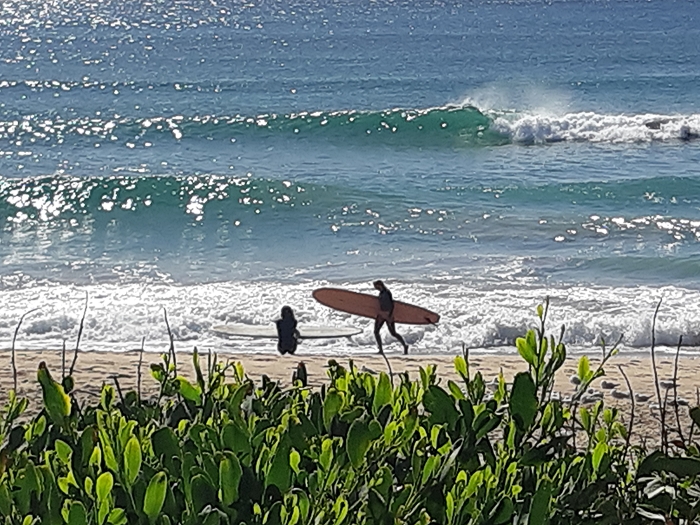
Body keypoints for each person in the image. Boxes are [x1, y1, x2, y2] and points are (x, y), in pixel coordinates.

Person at [373, 280, 409, 355]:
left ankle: (405, 345)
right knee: (377, 331)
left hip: (387, 315)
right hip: (383, 315)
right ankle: (381, 349)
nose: (375, 288)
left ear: (379, 285)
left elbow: (390, 305)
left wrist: (388, 316)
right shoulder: (383, 292)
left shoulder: (386, 293)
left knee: (393, 333)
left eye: (376, 286)